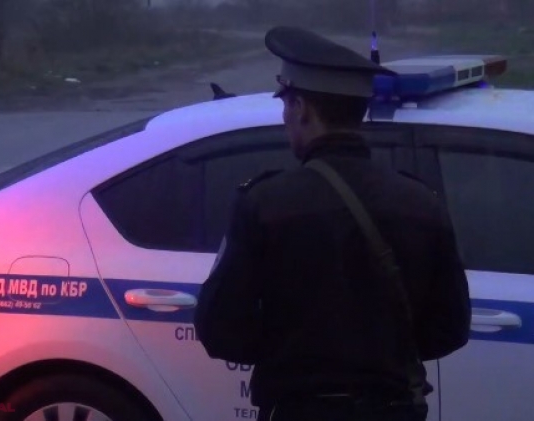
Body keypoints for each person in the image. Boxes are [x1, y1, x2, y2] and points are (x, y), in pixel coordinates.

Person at [193, 26, 471, 421]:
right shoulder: (422, 202)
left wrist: (290, 353)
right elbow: (451, 328)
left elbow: (219, 331)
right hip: (394, 410)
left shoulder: (264, 204)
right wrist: (382, 355)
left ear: (301, 108)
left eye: (286, 105)